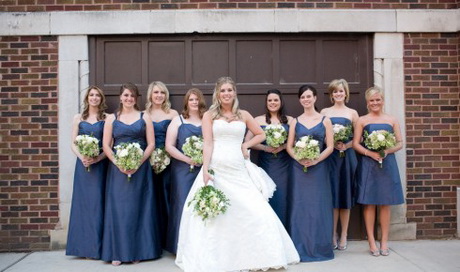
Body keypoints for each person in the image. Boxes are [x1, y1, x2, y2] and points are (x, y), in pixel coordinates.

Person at [176, 77, 299, 271]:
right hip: (217, 168)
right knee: (218, 216)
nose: (226, 94)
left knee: (256, 211)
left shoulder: (244, 115)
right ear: (217, 94)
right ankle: (222, 259)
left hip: (238, 169)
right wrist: (206, 169)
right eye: (223, 90)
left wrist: (245, 144)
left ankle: (258, 256)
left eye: (229, 90)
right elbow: (208, 143)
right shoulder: (209, 116)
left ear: (234, 93)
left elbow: (261, 134)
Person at [101, 83, 161, 265]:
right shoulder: (112, 118)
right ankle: (117, 252)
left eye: (132, 96)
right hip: (117, 171)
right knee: (119, 210)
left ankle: (137, 251)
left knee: (138, 209)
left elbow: (151, 144)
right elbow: (106, 145)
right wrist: (119, 162)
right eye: (126, 95)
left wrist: (137, 162)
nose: (129, 99)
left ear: (136, 98)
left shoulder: (145, 117)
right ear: (120, 97)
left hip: (140, 169)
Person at [352, 86, 404, 257]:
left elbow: (399, 143)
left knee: (385, 203)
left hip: (387, 163)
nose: (375, 103)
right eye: (372, 100)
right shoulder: (362, 120)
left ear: (382, 101)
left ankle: (384, 242)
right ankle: (372, 242)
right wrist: (370, 153)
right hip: (368, 164)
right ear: (367, 102)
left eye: (378, 99)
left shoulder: (391, 120)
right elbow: (356, 144)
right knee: (369, 203)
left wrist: (386, 151)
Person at [286, 84, 334, 262]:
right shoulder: (295, 122)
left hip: (319, 168)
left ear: (315, 98)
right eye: (303, 97)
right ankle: (299, 248)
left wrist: (316, 160)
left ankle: (320, 247)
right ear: (300, 100)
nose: (306, 99)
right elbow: (289, 146)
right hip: (299, 169)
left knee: (317, 206)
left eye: (309, 96)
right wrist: (299, 158)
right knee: (300, 206)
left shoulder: (325, 120)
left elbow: (329, 146)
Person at [66, 86, 108, 259]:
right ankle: (81, 247)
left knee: (98, 204)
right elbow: (73, 142)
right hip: (83, 166)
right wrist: (82, 157)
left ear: (101, 99)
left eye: (97, 95)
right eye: (91, 95)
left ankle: (96, 248)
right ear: (87, 98)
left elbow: (109, 145)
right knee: (83, 205)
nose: (94, 98)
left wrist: (97, 158)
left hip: (99, 166)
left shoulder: (107, 119)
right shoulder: (78, 118)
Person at [164, 88, 206, 254]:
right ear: (186, 102)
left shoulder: (207, 119)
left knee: (202, 203)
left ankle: (199, 246)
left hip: (202, 168)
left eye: (197, 99)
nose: (194, 102)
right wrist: (187, 159)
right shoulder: (178, 120)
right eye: (191, 100)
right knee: (183, 204)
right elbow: (169, 146)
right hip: (182, 170)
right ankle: (180, 246)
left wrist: (204, 159)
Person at [320, 79, 359, 250]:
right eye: (335, 91)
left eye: (341, 91)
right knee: (332, 195)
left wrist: (346, 145)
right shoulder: (325, 112)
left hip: (347, 158)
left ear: (346, 93)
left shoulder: (353, 113)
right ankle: (332, 233)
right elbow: (321, 135)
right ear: (331, 94)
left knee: (345, 194)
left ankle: (344, 234)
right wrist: (332, 142)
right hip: (330, 158)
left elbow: (360, 138)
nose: (338, 94)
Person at [245, 89, 293, 227]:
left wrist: (283, 146)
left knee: (284, 196)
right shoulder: (258, 120)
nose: (273, 103)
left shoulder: (290, 120)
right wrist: (265, 148)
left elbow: (294, 142)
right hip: (266, 164)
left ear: (281, 102)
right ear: (266, 103)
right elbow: (248, 142)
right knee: (269, 195)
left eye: (276, 100)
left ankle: (285, 229)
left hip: (285, 165)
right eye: (270, 100)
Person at [145, 81, 179, 248]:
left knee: (167, 197)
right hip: (147, 161)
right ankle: (152, 239)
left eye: (162, 93)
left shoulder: (172, 114)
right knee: (150, 199)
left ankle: (168, 240)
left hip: (169, 161)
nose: (159, 96)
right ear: (150, 95)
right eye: (156, 92)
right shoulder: (144, 114)